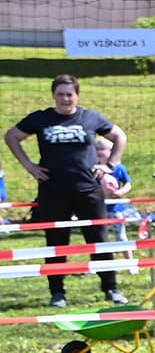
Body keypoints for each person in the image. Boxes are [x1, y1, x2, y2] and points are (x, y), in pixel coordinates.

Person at [6, 75, 129, 308]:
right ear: (53, 95)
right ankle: (57, 293)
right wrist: (29, 166)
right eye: (60, 94)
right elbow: (11, 136)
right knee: (56, 242)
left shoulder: (90, 117)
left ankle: (111, 288)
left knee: (99, 240)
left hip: (88, 189)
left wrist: (111, 165)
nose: (65, 99)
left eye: (69, 94)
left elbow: (119, 136)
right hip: (53, 191)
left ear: (77, 95)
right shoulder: (41, 118)